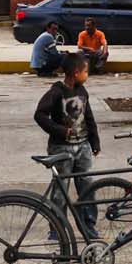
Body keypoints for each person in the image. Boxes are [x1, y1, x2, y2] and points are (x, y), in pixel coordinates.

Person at [33, 52, 100, 239]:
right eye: (86, 71)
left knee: (87, 186)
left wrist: (94, 141)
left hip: (83, 147)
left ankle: (88, 226)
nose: (88, 74)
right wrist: (60, 130)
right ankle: (57, 228)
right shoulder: (56, 92)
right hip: (61, 149)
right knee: (61, 189)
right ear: (76, 72)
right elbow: (39, 115)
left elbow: (89, 117)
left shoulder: (82, 91)